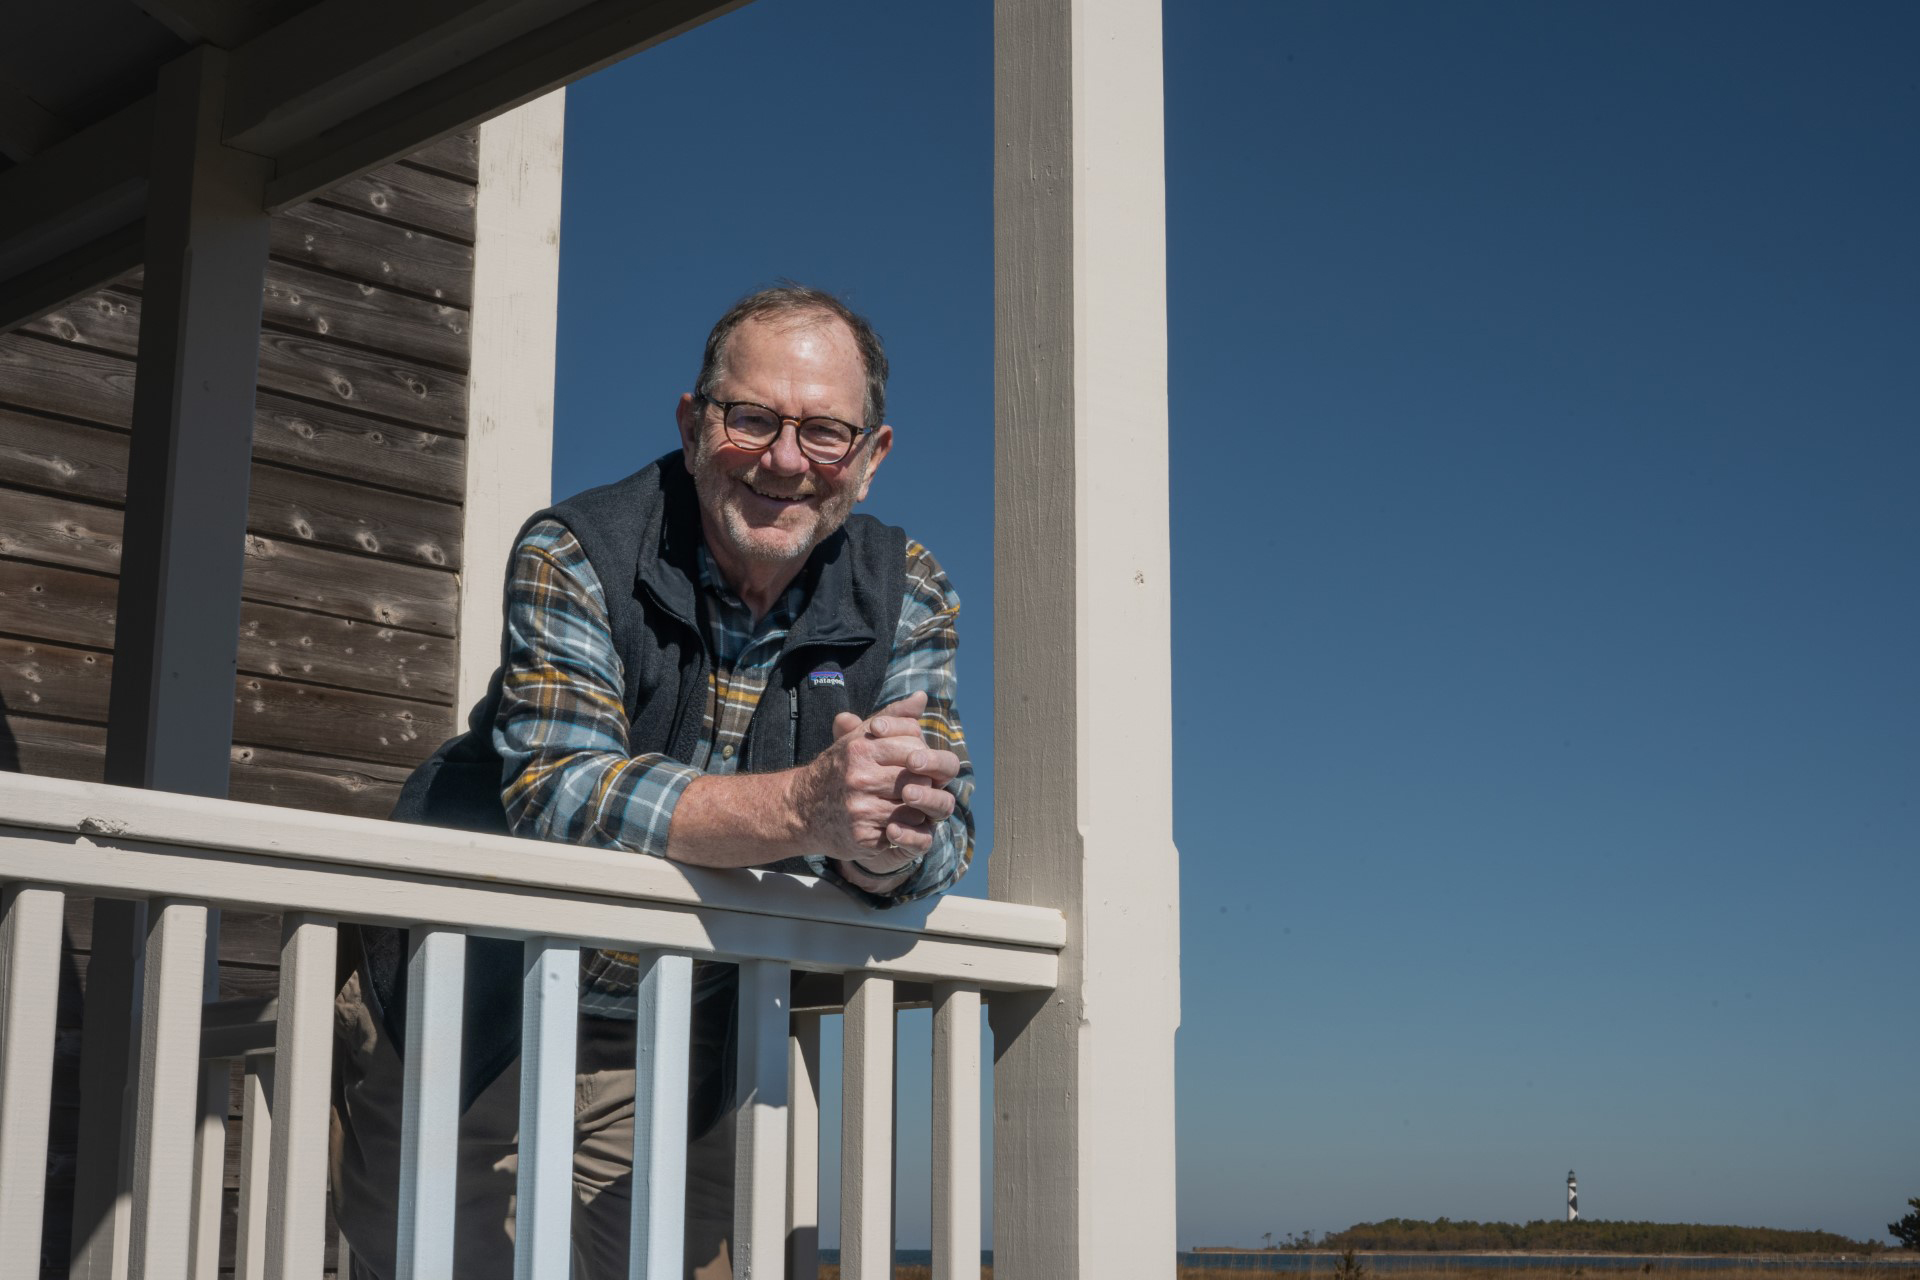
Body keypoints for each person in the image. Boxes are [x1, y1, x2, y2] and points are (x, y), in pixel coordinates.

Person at [329, 285, 974, 1280]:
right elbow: (564, 793)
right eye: (751, 417)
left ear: (872, 455)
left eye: (825, 432)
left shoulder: (909, 588)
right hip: (473, 994)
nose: (785, 458)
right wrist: (812, 807)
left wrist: (889, 843)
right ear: (692, 422)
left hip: (684, 1031)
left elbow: (945, 825)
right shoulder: (574, 550)